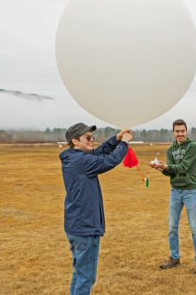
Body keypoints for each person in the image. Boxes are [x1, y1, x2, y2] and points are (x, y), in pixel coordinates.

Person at [60, 123, 132, 295]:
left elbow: (98, 153)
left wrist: (116, 138)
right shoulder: (81, 160)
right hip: (85, 227)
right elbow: (110, 160)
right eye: (88, 137)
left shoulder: (74, 157)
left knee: (79, 273)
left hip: (75, 226)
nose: (92, 140)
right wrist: (125, 143)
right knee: (86, 277)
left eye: (92, 137)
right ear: (75, 141)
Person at [149, 119, 196, 274]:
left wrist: (168, 167)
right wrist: (160, 168)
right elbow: (171, 171)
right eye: (177, 131)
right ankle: (174, 258)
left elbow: (183, 167)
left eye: (182, 131)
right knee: (172, 228)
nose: (180, 134)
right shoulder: (170, 150)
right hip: (175, 191)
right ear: (173, 132)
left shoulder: (192, 147)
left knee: (194, 228)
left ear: (186, 131)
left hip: (190, 191)